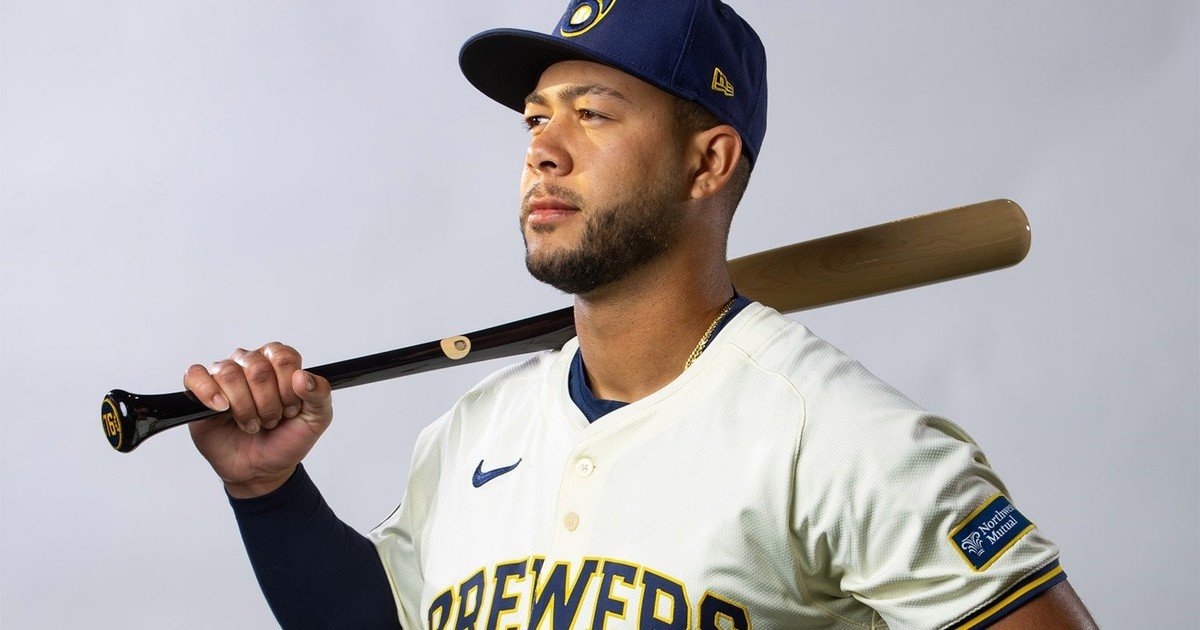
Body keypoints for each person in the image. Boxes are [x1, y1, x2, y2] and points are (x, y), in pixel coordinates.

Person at [184, 1, 1098, 628]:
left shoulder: (839, 438)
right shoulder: (474, 432)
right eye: (535, 118)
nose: (544, 149)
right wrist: (269, 495)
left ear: (709, 162)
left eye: (592, 113)